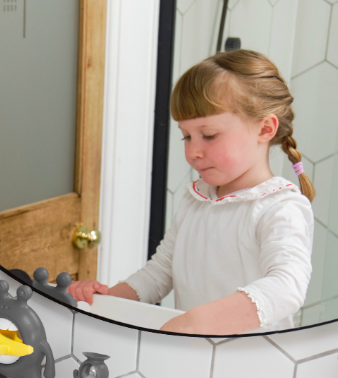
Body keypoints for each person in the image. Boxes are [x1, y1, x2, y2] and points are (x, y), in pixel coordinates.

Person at [69, 50, 315, 334]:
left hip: (253, 358)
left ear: (265, 129)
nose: (193, 151)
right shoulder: (197, 199)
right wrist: (106, 301)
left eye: (209, 135)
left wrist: (194, 322)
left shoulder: (279, 207)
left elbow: (287, 286)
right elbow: (159, 273)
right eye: (186, 136)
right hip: (193, 351)